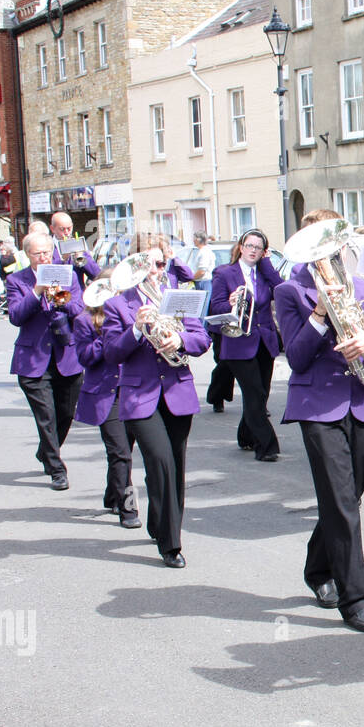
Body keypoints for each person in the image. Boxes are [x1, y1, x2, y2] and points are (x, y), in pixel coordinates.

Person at [273, 229, 364, 633]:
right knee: (342, 503)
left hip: (362, 402)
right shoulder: (290, 291)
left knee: (348, 497)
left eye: (335, 247)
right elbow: (297, 356)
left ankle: (317, 568)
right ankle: (356, 600)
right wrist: (320, 316)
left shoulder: (361, 285)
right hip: (318, 406)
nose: (332, 255)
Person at [101, 234, 210, 566]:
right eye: (146, 265)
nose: (154, 271)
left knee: (174, 467)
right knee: (160, 462)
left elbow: (202, 338)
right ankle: (171, 545)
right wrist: (136, 329)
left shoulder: (178, 297)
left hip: (177, 392)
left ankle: (161, 524)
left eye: (160, 264)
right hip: (139, 396)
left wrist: (179, 337)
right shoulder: (118, 304)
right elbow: (111, 353)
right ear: (134, 267)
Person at [7, 230, 86, 490]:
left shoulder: (68, 274)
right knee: (46, 416)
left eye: (47, 252)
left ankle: (46, 451)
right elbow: (16, 316)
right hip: (34, 359)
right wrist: (36, 292)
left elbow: (79, 310)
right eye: (37, 253)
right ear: (27, 255)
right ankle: (56, 469)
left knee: (65, 414)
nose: (43, 257)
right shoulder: (16, 280)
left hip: (66, 356)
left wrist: (60, 297)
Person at [74, 268, 141, 530]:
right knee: (121, 453)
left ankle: (112, 494)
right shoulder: (84, 320)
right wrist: (107, 336)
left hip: (132, 391)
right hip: (106, 393)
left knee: (123, 451)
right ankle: (128, 508)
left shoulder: (130, 313)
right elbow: (85, 358)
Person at [210, 228, 283, 461]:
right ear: (241, 247)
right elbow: (215, 307)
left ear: (263, 252)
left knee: (261, 396)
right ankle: (267, 446)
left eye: (258, 248)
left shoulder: (264, 273)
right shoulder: (224, 273)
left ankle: (245, 436)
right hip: (238, 343)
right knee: (254, 393)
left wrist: (268, 264)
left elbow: (281, 289)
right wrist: (229, 303)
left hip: (264, 341)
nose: (253, 251)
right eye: (250, 246)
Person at [204, 240, 239, 414]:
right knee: (224, 364)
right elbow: (216, 304)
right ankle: (216, 397)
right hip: (222, 327)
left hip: (243, 328)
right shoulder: (222, 272)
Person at [49, 211, 101, 286]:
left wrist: (82, 257)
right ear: (52, 229)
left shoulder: (78, 244)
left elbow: (96, 274)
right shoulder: (47, 246)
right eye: (62, 229)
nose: (67, 232)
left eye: (69, 228)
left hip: (76, 295)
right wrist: (63, 260)